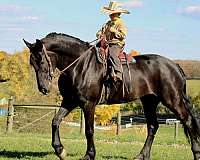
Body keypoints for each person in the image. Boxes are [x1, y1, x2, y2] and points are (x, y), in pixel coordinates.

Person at [96, 1, 130, 81]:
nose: (110, 15)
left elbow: (123, 35)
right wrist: (99, 34)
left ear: (118, 14)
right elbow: (100, 31)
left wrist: (114, 31)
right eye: (110, 13)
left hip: (116, 44)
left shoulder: (120, 23)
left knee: (112, 55)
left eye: (112, 13)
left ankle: (119, 73)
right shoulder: (108, 23)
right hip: (106, 43)